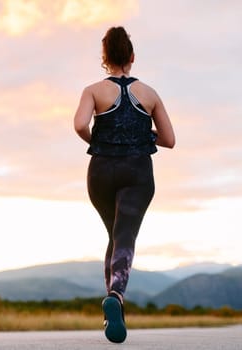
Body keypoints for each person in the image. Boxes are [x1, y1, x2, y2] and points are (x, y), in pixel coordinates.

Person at [73, 26, 175, 343]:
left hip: (101, 170)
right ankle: (116, 295)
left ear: (105, 58)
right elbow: (170, 140)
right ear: (131, 57)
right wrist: (140, 136)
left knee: (114, 236)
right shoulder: (149, 94)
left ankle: (112, 309)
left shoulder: (93, 90)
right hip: (137, 171)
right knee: (125, 237)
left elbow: (79, 124)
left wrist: (99, 139)